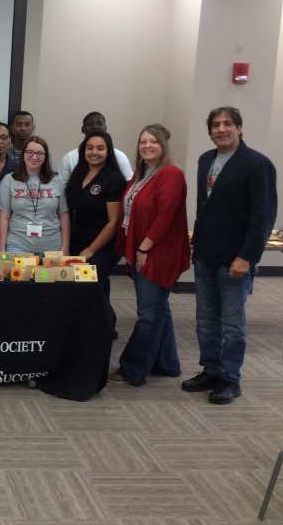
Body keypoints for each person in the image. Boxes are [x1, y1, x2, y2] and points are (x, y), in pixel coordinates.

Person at [183, 107, 277, 405]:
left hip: (235, 258)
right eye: (215, 125)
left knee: (232, 323)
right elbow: (204, 207)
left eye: (227, 124)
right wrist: (195, 245)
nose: (221, 129)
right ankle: (211, 370)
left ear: (239, 128)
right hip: (206, 255)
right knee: (206, 319)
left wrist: (247, 257)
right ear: (209, 131)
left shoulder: (257, 164)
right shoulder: (206, 160)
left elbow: (263, 216)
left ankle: (230, 379)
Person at [110, 124, 190, 387]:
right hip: (142, 249)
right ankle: (168, 364)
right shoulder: (142, 174)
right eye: (143, 141)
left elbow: (166, 215)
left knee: (148, 314)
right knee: (158, 308)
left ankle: (133, 368)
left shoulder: (171, 174)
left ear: (163, 144)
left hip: (157, 252)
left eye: (153, 141)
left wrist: (144, 246)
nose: (147, 146)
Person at [65, 131, 124, 328]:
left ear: (108, 151)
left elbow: (114, 222)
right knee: (94, 288)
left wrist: (91, 250)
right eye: (90, 148)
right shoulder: (78, 173)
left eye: (100, 148)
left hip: (102, 245)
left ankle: (100, 329)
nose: (94, 152)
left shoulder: (113, 178)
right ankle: (105, 325)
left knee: (89, 285)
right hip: (77, 241)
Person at [0, 136, 69, 255]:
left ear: (45, 156)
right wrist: (1, 249)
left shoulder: (57, 181)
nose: (34, 157)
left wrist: (65, 246)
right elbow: (4, 217)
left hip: (52, 246)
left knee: (49, 275)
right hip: (17, 246)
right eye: (30, 152)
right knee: (18, 274)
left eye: (40, 153)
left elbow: (64, 215)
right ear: (23, 154)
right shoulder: (9, 180)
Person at [58, 112, 134, 182]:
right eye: (90, 124)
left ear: (105, 128)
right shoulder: (69, 158)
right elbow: (62, 188)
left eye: (99, 123)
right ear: (82, 129)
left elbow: (129, 182)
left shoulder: (119, 156)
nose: (95, 127)